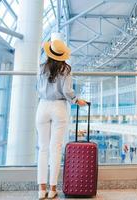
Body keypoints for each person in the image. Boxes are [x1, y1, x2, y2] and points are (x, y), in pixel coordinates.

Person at [36, 33, 87, 199]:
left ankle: (41, 190)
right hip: (59, 107)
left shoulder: (41, 67)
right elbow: (67, 91)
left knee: (42, 148)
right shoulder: (66, 69)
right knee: (55, 148)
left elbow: (37, 86)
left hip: (43, 106)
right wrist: (76, 100)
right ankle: (52, 189)